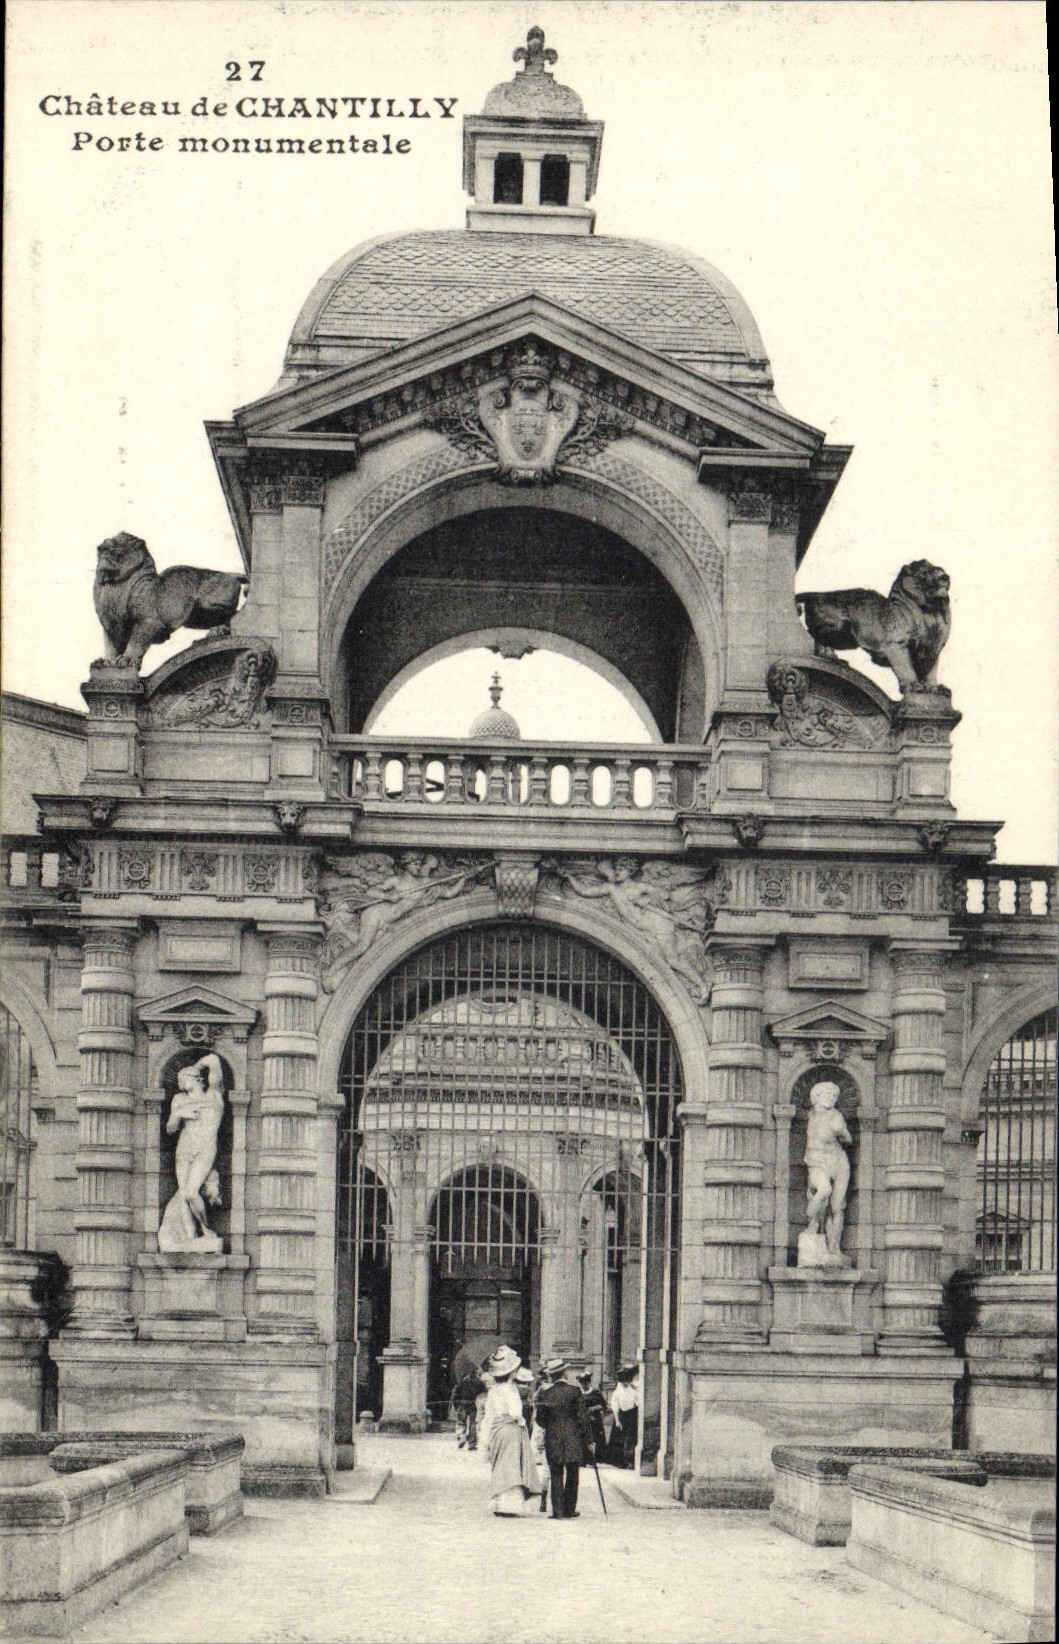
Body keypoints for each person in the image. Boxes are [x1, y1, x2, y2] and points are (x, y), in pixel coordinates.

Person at [477, 1345, 540, 1516]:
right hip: (510, 1431)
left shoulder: (493, 1392)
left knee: (500, 1468)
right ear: (512, 1372)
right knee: (512, 1468)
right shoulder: (511, 1391)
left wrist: (485, 1439)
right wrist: (521, 1422)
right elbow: (515, 1413)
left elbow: (488, 1417)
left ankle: (499, 1504)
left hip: (496, 1431)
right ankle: (511, 1505)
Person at [534, 1356, 595, 1519]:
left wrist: (551, 1424)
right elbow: (583, 1418)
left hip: (553, 1437)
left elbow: (540, 1420)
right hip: (573, 1437)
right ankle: (569, 1509)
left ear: (551, 1376)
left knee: (555, 1473)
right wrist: (589, 1440)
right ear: (564, 1373)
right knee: (573, 1474)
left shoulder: (545, 1394)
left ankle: (558, 1511)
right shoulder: (575, 1392)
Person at [804, 1080, 853, 1260]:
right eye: (828, 1094)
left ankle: (834, 1248)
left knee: (837, 1206)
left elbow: (849, 1140)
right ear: (817, 1096)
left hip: (839, 1162)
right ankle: (811, 1222)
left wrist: (841, 1132)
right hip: (816, 1161)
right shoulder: (810, 1115)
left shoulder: (836, 1116)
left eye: (834, 1095)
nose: (832, 1098)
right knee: (824, 1190)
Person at [452, 1350, 486, 1451]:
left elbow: (456, 1392)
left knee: (461, 1422)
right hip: (473, 1404)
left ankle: (461, 1437)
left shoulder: (462, 1380)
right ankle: (472, 1443)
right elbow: (483, 1393)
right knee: (473, 1424)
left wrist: (456, 1404)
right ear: (476, 1370)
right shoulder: (480, 1382)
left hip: (463, 1403)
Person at [608, 1364, 639, 1469]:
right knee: (619, 1439)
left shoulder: (634, 1389)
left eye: (627, 1380)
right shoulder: (618, 1390)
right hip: (621, 1415)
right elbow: (615, 1405)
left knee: (631, 1439)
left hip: (632, 1416)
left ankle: (631, 1461)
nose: (625, 1383)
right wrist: (617, 1420)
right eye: (623, 1381)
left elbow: (638, 1402)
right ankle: (620, 1461)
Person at [575, 1369, 607, 1460]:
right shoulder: (577, 1393)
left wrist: (594, 1408)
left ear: (589, 1383)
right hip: (582, 1419)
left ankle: (595, 1457)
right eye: (581, 1383)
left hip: (594, 1419)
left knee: (595, 1437)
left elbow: (603, 1405)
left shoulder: (596, 1392)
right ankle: (583, 1457)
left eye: (585, 1383)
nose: (583, 1385)